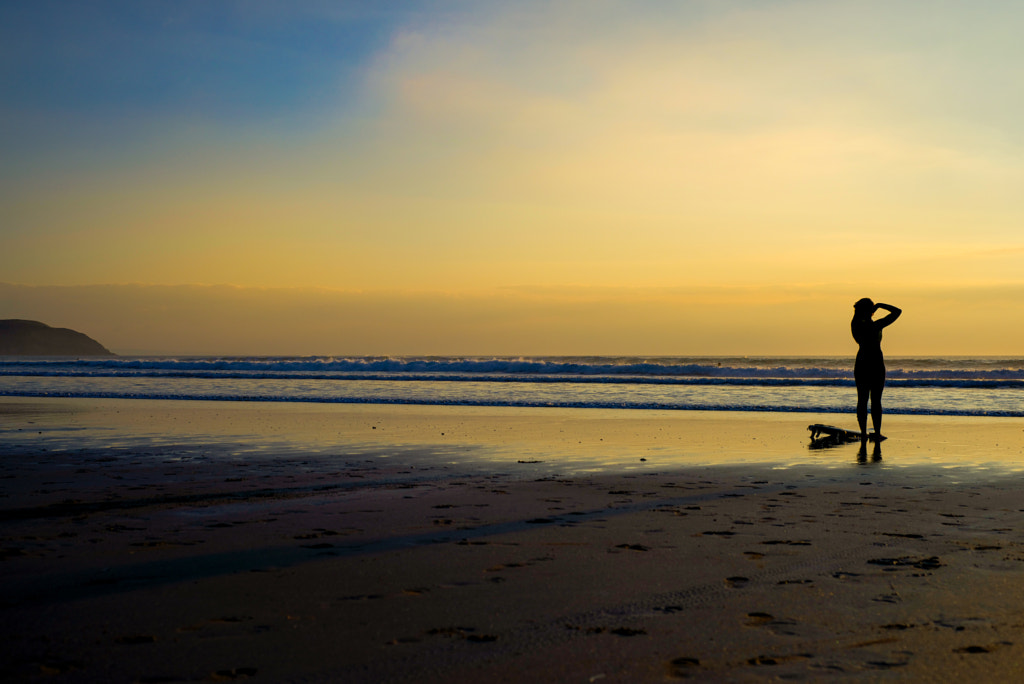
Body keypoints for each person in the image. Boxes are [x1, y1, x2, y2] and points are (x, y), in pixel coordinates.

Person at [851, 298, 901, 440]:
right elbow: (897, 312)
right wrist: (879, 306)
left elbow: (898, 312)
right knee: (871, 400)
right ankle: (873, 433)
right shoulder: (871, 325)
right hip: (873, 363)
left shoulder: (856, 323)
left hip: (866, 363)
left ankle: (865, 433)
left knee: (866, 399)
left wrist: (875, 307)